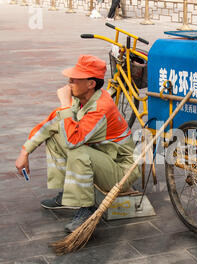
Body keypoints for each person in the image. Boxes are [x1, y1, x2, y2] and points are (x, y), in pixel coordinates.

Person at [15, 55, 141, 233]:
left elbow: (73, 142)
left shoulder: (100, 107)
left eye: (75, 79)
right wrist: (25, 151)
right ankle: (68, 194)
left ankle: (86, 209)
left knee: (77, 150)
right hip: (104, 158)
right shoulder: (80, 98)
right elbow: (52, 123)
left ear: (91, 84)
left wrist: (65, 105)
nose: (69, 81)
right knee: (55, 135)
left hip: (122, 171)